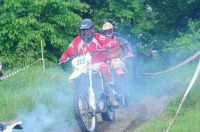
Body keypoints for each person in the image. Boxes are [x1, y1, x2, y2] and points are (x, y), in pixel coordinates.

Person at [59, 19, 119, 107]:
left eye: (87, 31)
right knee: (73, 78)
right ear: (79, 31)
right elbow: (68, 51)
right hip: (82, 67)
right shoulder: (77, 40)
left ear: (92, 29)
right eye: (82, 31)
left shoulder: (98, 37)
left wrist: (107, 45)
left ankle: (111, 97)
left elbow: (114, 42)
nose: (85, 33)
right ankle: (80, 97)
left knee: (104, 67)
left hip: (97, 64)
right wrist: (63, 57)